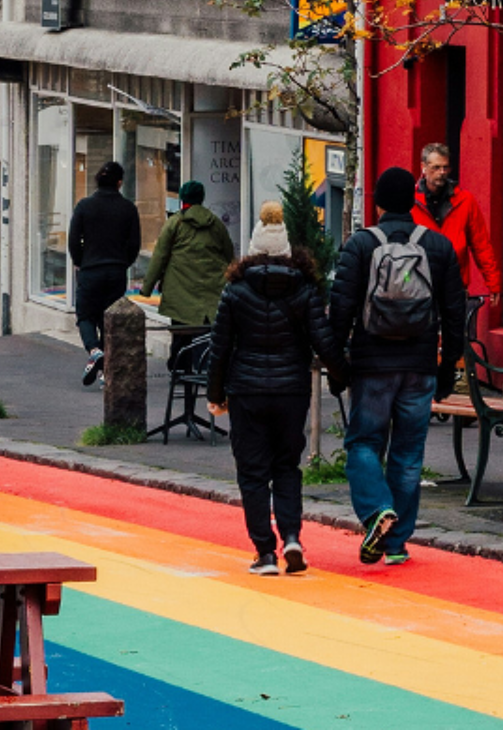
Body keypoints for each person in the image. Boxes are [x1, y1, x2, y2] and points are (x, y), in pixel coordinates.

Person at [330, 167, 466, 567]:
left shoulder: (360, 245)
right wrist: (447, 367)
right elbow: (455, 313)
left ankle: (377, 511)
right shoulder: (438, 248)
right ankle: (396, 544)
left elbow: (341, 309)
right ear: (414, 199)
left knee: (363, 443)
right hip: (420, 365)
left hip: (372, 365)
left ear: (376, 201)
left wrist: (337, 364)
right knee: (408, 454)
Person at [207, 202, 341, 576]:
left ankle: (264, 552)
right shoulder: (305, 289)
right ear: (286, 249)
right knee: (287, 466)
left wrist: (215, 393)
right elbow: (323, 339)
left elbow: (220, 348)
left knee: (252, 473)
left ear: (252, 249)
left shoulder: (235, 291)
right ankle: (293, 537)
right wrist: (342, 376)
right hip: (291, 390)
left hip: (247, 391)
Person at [68, 162, 141, 386]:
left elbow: (73, 240)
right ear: (119, 183)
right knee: (110, 320)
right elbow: (135, 244)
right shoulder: (128, 208)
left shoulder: (84, 206)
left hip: (91, 270)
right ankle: (106, 369)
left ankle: (94, 350)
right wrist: (123, 263)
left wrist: (81, 261)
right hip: (116, 271)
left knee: (85, 315)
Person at [413, 143, 501, 305]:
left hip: (455, 285)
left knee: (456, 330)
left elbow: (481, 244)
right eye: (436, 167)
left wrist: (493, 283)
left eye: (445, 168)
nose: (441, 173)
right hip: (418, 286)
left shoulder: (465, 201)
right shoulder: (410, 203)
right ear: (423, 168)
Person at [141, 180, 236, 329]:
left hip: (180, 296)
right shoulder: (216, 224)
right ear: (201, 198)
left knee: (181, 339)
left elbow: (160, 257)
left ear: (182, 198)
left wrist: (147, 288)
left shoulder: (174, 223)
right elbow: (229, 255)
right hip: (212, 293)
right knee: (206, 340)